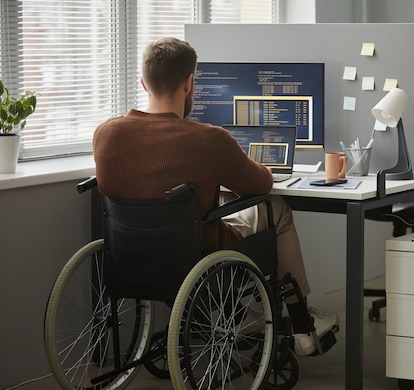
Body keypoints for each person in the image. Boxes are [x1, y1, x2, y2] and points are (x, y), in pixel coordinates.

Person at [92, 37, 338, 357]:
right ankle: (303, 324)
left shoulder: (106, 133)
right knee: (276, 207)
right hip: (200, 258)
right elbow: (260, 184)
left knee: (212, 206)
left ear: (143, 82)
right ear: (189, 82)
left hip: (130, 258)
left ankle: (247, 319)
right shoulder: (209, 139)